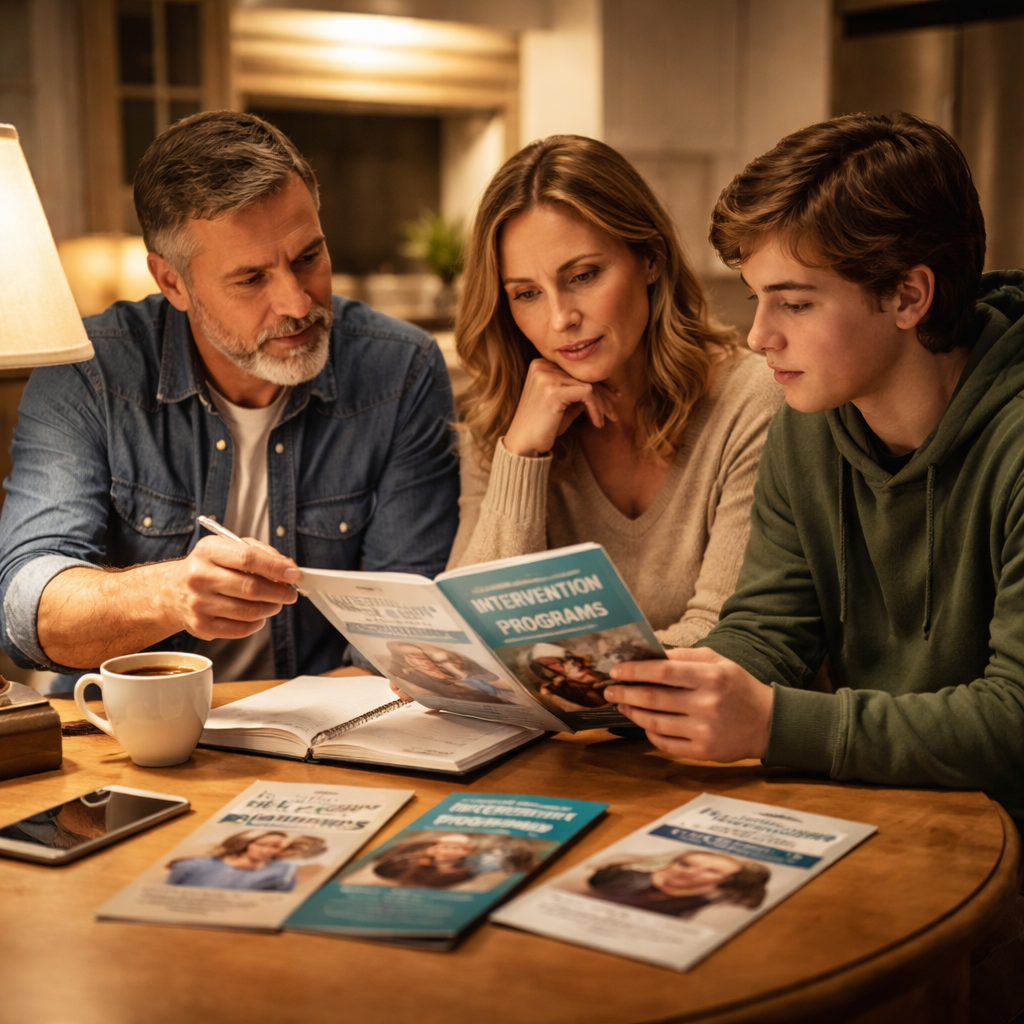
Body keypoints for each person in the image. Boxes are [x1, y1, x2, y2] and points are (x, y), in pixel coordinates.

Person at [601, 113, 1024, 1020]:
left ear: (909, 296)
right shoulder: (808, 421)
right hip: (895, 823)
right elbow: (772, 625)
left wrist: (775, 722)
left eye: (793, 303)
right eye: (755, 299)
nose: (757, 338)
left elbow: (1016, 720)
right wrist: (681, 677)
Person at [0, 111, 458, 690]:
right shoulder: (89, 372)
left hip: (327, 734)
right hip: (129, 735)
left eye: (309, 257)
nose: (296, 301)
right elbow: (25, 612)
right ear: (172, 283)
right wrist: (167, 594)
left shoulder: (400, 369)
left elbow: (407, 637)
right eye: (250, 279)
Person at [447, 135, 783, 649]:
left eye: (583, 275)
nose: (561, 318)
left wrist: (560, 668)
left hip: (686, 727)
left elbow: (725, 639)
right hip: (551, 730)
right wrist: (520, 456)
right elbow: (468, 645)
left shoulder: (753, 400)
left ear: (650, 258)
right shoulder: (500, 421)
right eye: (527, 294)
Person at [587, 851, 768, 918]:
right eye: (685, 864)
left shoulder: (710, 908)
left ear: (727, 882)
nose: (690, 872)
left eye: (712, 871)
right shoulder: (625, 877)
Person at [166, 830, 297, 891]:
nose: (268, 851)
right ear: (244, 844)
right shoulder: (194, 865)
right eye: (261, 845)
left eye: (275, 846)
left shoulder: (281, 870)